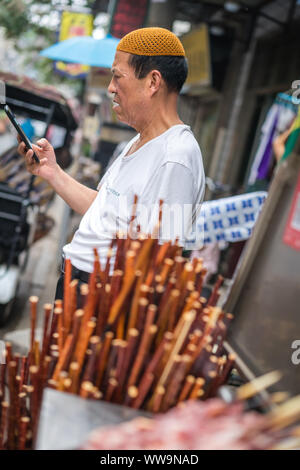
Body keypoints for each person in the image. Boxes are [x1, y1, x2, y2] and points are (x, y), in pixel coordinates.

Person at [18, 27, 205, 299]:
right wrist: (52, 172)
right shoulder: (137, 142)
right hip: (79, 284)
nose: (110, 88)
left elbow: (163, 260)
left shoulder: (177, 157)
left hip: (104, 298)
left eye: (118, 77)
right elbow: (104, 211)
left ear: (153, 82)